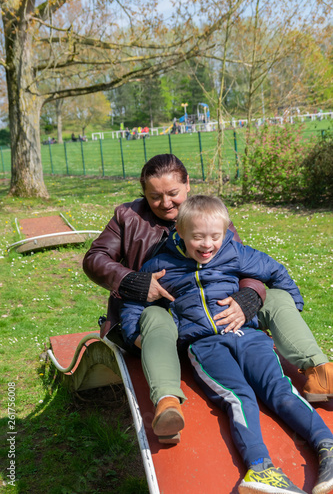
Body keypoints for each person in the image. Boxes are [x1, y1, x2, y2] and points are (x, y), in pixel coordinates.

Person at [82, 154, 333, 415]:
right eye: (154, 196)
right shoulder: (128, 216)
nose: (165, 203)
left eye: (173, 193)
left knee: (277, 298)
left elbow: (241, 261)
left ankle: (320, 370)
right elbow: (94, 259)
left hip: (215, 315)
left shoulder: (209, 215)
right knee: (157, 318)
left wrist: (249, 295)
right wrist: (133, 282)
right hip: (160, 323)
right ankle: (167, 401)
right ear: (143, 193)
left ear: (188, 184)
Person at [120, 195, 333, 494]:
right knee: (239, 396)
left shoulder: (235, 252)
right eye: (197, 237)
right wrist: (134, 335)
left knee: (280, 388)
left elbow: (276, 271)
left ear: (225, 232)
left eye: (215, 237)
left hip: (249, 336)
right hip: (205, 347)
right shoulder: (161, 264)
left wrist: (291, 305)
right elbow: (134, 302)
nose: (207, 245)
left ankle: (327, 444)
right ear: (179, 232)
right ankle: (260, 468)